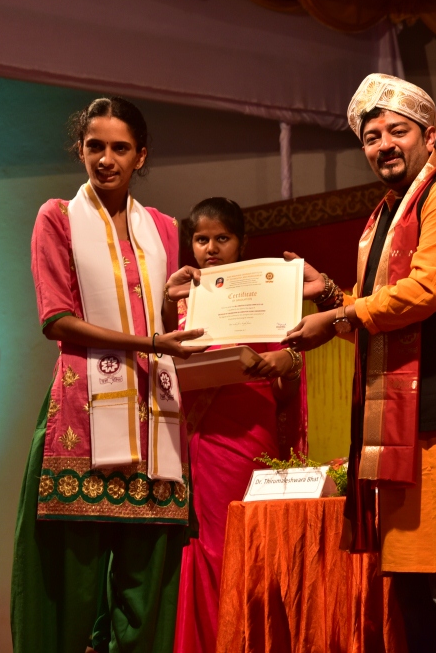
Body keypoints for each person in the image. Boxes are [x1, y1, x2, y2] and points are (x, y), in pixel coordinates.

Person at [283, 73, 436, 653]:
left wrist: (340, 315)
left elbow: (426, 291)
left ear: (429, 136)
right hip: (402, 424)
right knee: (414, 593)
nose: (384, 144)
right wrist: (331, 296)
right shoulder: (384, 216)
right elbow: (376, 312)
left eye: (397, 131)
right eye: (371, 136)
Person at [11, 96, 207, 653]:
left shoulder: (163, 228)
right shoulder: (57, 217)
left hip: (154, 424)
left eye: (120, 148)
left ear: (140, 156)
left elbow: (160, 322)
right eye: (95, 145)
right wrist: (150, 341)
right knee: (73, 594)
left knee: (145, 593)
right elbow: (56, 319)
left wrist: (171, 302)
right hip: (82, 420)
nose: (106, 158)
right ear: (80, 149)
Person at [173, 198, 307, 653]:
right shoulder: (181, 299)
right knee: (204, 547)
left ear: (242, 242)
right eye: (201, 239)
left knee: (245, 543)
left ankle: (247, 640)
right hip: (198, 437)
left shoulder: (269, 291)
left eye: (222, 238)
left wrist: (286, 361)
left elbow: (290, 367)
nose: (211, 248)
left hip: (249, 433)